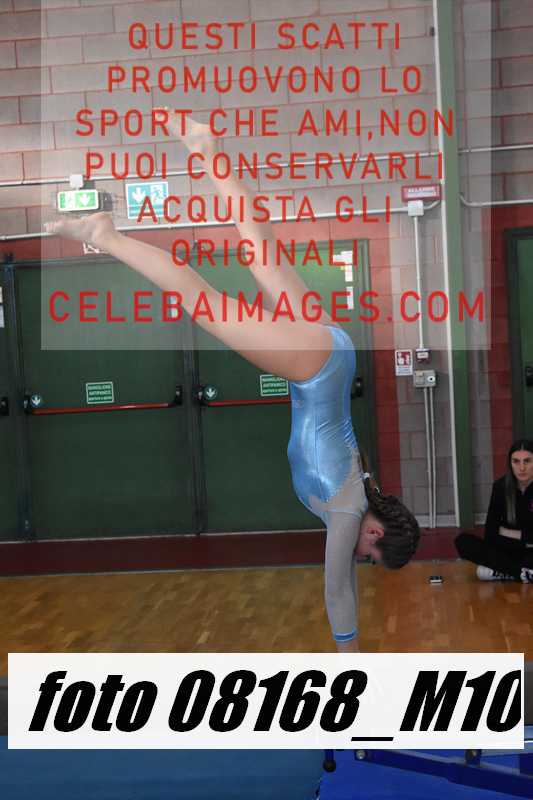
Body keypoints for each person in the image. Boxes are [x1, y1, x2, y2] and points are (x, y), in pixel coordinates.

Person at [45, 113, 420, 652]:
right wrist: (350, 659)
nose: (359, 557)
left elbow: (346, 581)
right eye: (370, 555)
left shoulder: (361, 494)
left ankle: (207, 148)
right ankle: (106, 235)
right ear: (376, 533)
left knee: (262, 253)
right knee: (203, 302)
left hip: (332, 355)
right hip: (315, 367)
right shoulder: (347, 513)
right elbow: (337, 588)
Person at [455, 439, 533, 583]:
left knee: (485, 569)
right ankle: (520, 573)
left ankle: (503, 571)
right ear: (510, 463)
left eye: (527, 461)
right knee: (463, 541)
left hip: (529, 551)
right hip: (508, 549)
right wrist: (524, 538)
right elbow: (491, 534)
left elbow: (502, 532)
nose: (522, 468)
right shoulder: (501, 487)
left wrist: (508, 532)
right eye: (516, 461)